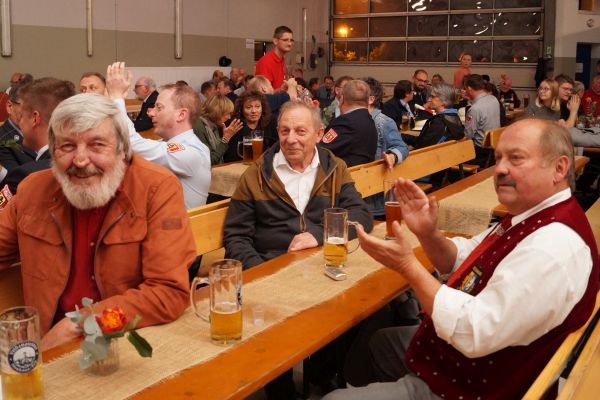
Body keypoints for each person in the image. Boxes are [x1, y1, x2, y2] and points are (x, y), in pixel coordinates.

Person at [324, 119, 598, 400]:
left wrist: (408, 266)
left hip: (474, 386)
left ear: (559, 168)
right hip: (474, 361)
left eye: (516, 158)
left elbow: (474, 331)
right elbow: (465, 260)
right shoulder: (530, 216)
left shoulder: (551, 247)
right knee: (379, 343)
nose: (500, 169)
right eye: (498, 158)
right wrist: (428, 233)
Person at [0, 93, 196, 350]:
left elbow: (168, 292)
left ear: (122, 149)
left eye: (97, 145)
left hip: (121, 344)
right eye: (67, 146)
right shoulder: (32, 190)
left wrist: (81, 324)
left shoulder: (157, 188)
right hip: (46, 347)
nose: (80, 160)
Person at [224, 100, 372, 399]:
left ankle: (322, 374)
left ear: (319, 134)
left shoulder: (334, 168)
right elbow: (236, 236)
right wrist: (264, 273)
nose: (291, 139)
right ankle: (280, 388)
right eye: (284, 131)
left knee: (364, 304)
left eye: (300, 131)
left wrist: (317, 234)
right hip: (272, 270)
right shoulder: (256, 174)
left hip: (323, 269)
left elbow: (361, 215)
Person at [106, 62, 211, 209]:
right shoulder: (169, 143)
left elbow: (132, 143)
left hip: (179, 223)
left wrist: (117, 98)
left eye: (159, 107)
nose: (151, 113)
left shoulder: (192, 152)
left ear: (181, 115)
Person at [0, 78, 76, 194]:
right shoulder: (79, 161)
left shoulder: (27, 176)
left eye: (22, 116)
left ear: (35, 119)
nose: (20, 122)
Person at [363, 77, 409, 218]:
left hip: (375, 199)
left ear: (370, 99)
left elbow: (402, 147)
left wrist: (392, 155)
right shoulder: (353, 120)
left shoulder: (384, 122)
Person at [321, 79, 378, 167]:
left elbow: (321, 151)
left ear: (342, 99)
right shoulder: (370, 120)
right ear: (368, 100)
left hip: (343, 174)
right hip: (364, 172)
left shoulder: (344, 123)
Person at [223, 90, 274, 162]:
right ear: (241, 110)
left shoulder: (270, 124)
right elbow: (229, 157)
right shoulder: (234, 126)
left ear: (262, 108)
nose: (254, 111)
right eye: (248, 107)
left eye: (257, 106)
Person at [193, 93, 243, 165]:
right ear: (218, 112)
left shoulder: (213, 126)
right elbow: (210, 161)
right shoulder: (199, 126)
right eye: (227, 113)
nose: (229, 117)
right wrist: (225, 139)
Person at [463, 74, 501, 167]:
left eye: (465, 89)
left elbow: (468, 136)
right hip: (494, 152)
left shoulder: (475, 109)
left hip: (480, 154)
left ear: (469, 89)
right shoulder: (493, 99)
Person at [414, 83, 464, 150]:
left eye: (432, 97)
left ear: (444, 100)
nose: (428, 100)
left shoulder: (439, 122)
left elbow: (422, 147)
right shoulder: (454, 117)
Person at [255, 26, 294, 90]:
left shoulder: (282, 59)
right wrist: (281, 90)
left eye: (291, 40)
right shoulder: (266, 62)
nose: (289, 44)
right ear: (275, 41)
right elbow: (264, 93)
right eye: (285, 40)